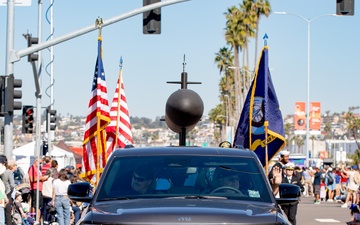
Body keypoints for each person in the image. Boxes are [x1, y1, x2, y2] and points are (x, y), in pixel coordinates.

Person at [28, 158, 49, 222]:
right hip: (35, 188)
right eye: (40, 163)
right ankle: (33, 219)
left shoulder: (38, 169)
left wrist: (44, 179)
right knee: (35, 205)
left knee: (39, 205)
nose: (41, 164)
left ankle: (38, 219)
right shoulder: (32, 168)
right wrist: (41, 178)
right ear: (36, 161)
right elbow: (32, 179)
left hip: (39, 188)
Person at [2, 159, 16, 225]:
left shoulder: (3, 171)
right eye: (15, 165)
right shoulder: (9, 172)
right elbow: (12, 185)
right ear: (12, 166)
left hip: (2, 191)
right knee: (8, 211)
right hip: (7, 192)